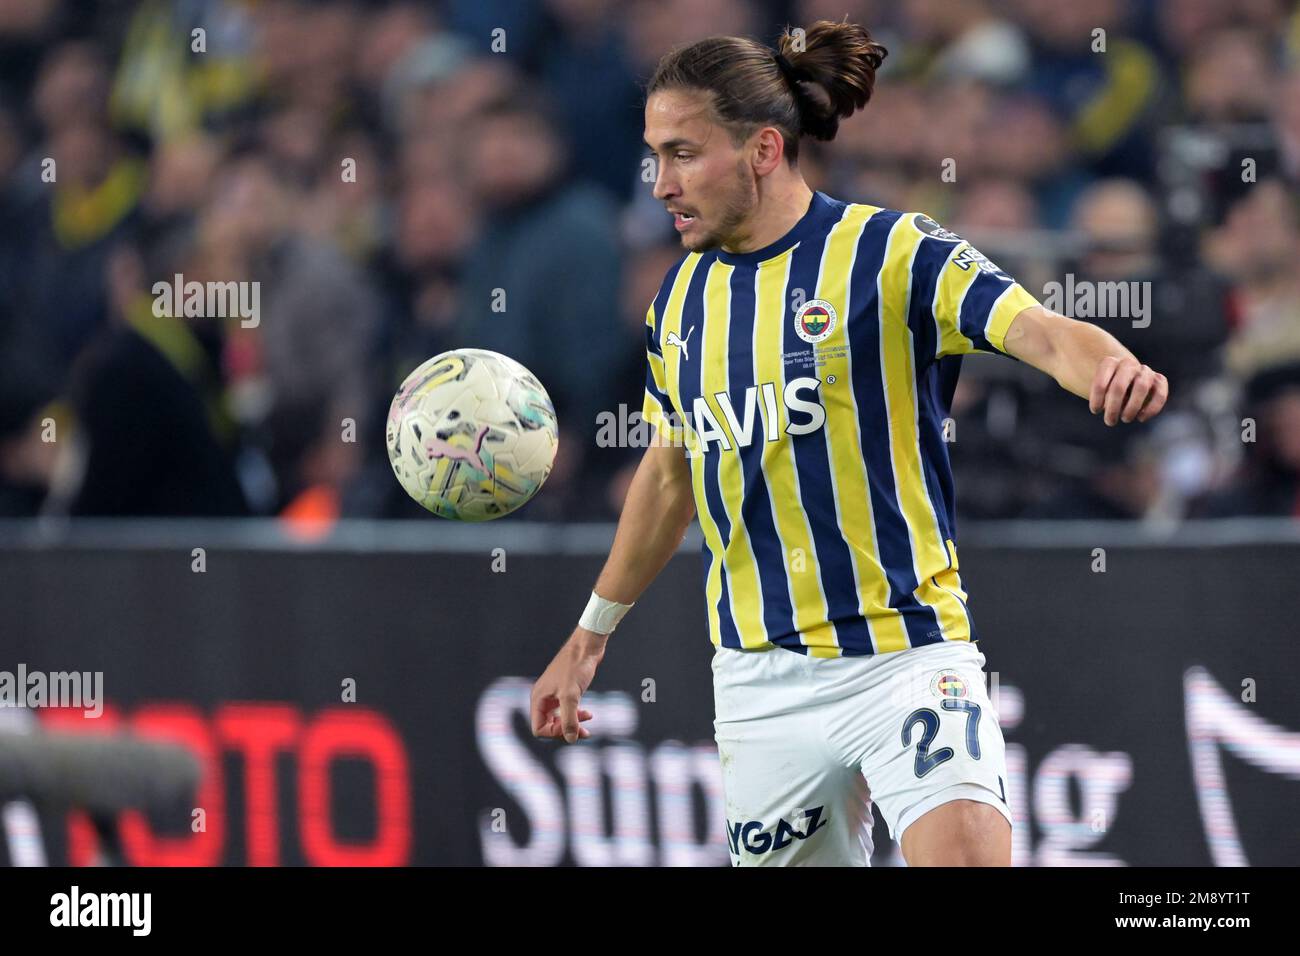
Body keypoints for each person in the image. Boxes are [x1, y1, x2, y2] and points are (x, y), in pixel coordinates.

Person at [529, 19, 1169, 867]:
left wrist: (1109, 361)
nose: (659, 184)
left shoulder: (892, 253)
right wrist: (588, 637)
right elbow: (671, 476)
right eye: (654, 154)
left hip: (905, 652)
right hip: (760, 683)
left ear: (763, 149)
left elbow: (1043, 332)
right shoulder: (679, 304)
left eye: (682, 153)